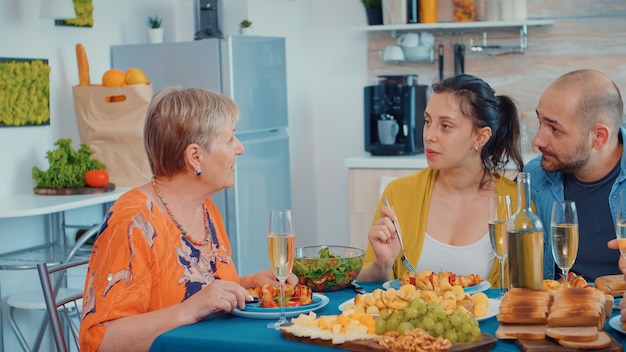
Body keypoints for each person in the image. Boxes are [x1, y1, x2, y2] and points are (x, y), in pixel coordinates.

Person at [79, 87, 297, 352]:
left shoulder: (205, 208)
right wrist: (188, 311)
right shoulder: (132, 221)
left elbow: (202, 292)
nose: (240, 149)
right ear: (195, 157)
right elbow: (100, 342)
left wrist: (249, 283)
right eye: (230, 139)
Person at [357, 74, 524, 287]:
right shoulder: (398, 194)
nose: (429, 135)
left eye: (446, 126)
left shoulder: (515, 202)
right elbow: (366, 288)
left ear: (481, 137)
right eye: (428, 121)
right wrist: (382, 264)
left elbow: (523, 293)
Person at [524, 69, 625, 282]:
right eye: (540, 122)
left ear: (599, 137)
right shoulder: (534, 177)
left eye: (554, 129)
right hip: (562, 310)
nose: (538, 140)